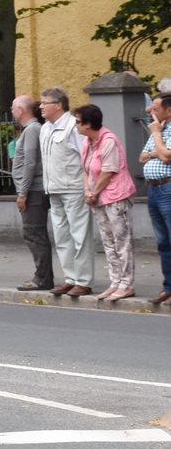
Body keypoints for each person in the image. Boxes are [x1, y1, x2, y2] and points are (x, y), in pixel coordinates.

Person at [74, 104, 136, 301]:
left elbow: (108, 171)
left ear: (88, 124)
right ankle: (115, 281)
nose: (75, 125)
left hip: (115, 196)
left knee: (121, 241)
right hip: (98, 198)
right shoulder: (88, 142)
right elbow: (85, 169)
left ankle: (127, 284)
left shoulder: (108, 140)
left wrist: (94, 192)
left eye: (77, 122)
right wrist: (87, 190)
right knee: (108, 241)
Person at [39, 87, 96, 297]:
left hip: (73, 189)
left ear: (58, 105)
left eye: (45, 103)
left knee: (80, 236)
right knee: (62, 237)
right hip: (54, 189)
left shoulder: (73, 126)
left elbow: (86, 158)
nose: (41, 106)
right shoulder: (45, 128)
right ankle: (70, 279)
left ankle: (84, 280)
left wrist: (88, 186)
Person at [10, 94, 54, 291]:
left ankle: (42, 278)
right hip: (33, 190)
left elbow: (30, 163)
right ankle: (43, 276)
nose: (12, 111)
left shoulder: (32, 130)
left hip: (33, 191)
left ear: (21, 110)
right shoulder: (34, 129)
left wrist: (22, 192)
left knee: (34, 234)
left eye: (13, 107)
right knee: (35, 233)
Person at [140, 94, 171, 306]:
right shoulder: (157, 129)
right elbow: (142, 157)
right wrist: (157, 151)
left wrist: (157, 137)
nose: (151, 112)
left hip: (168, 188)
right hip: (153, 189)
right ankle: (168, 287)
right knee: (163, 242)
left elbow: (168, 157)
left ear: (169, 110)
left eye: (156, 109)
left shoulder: (157, 130)